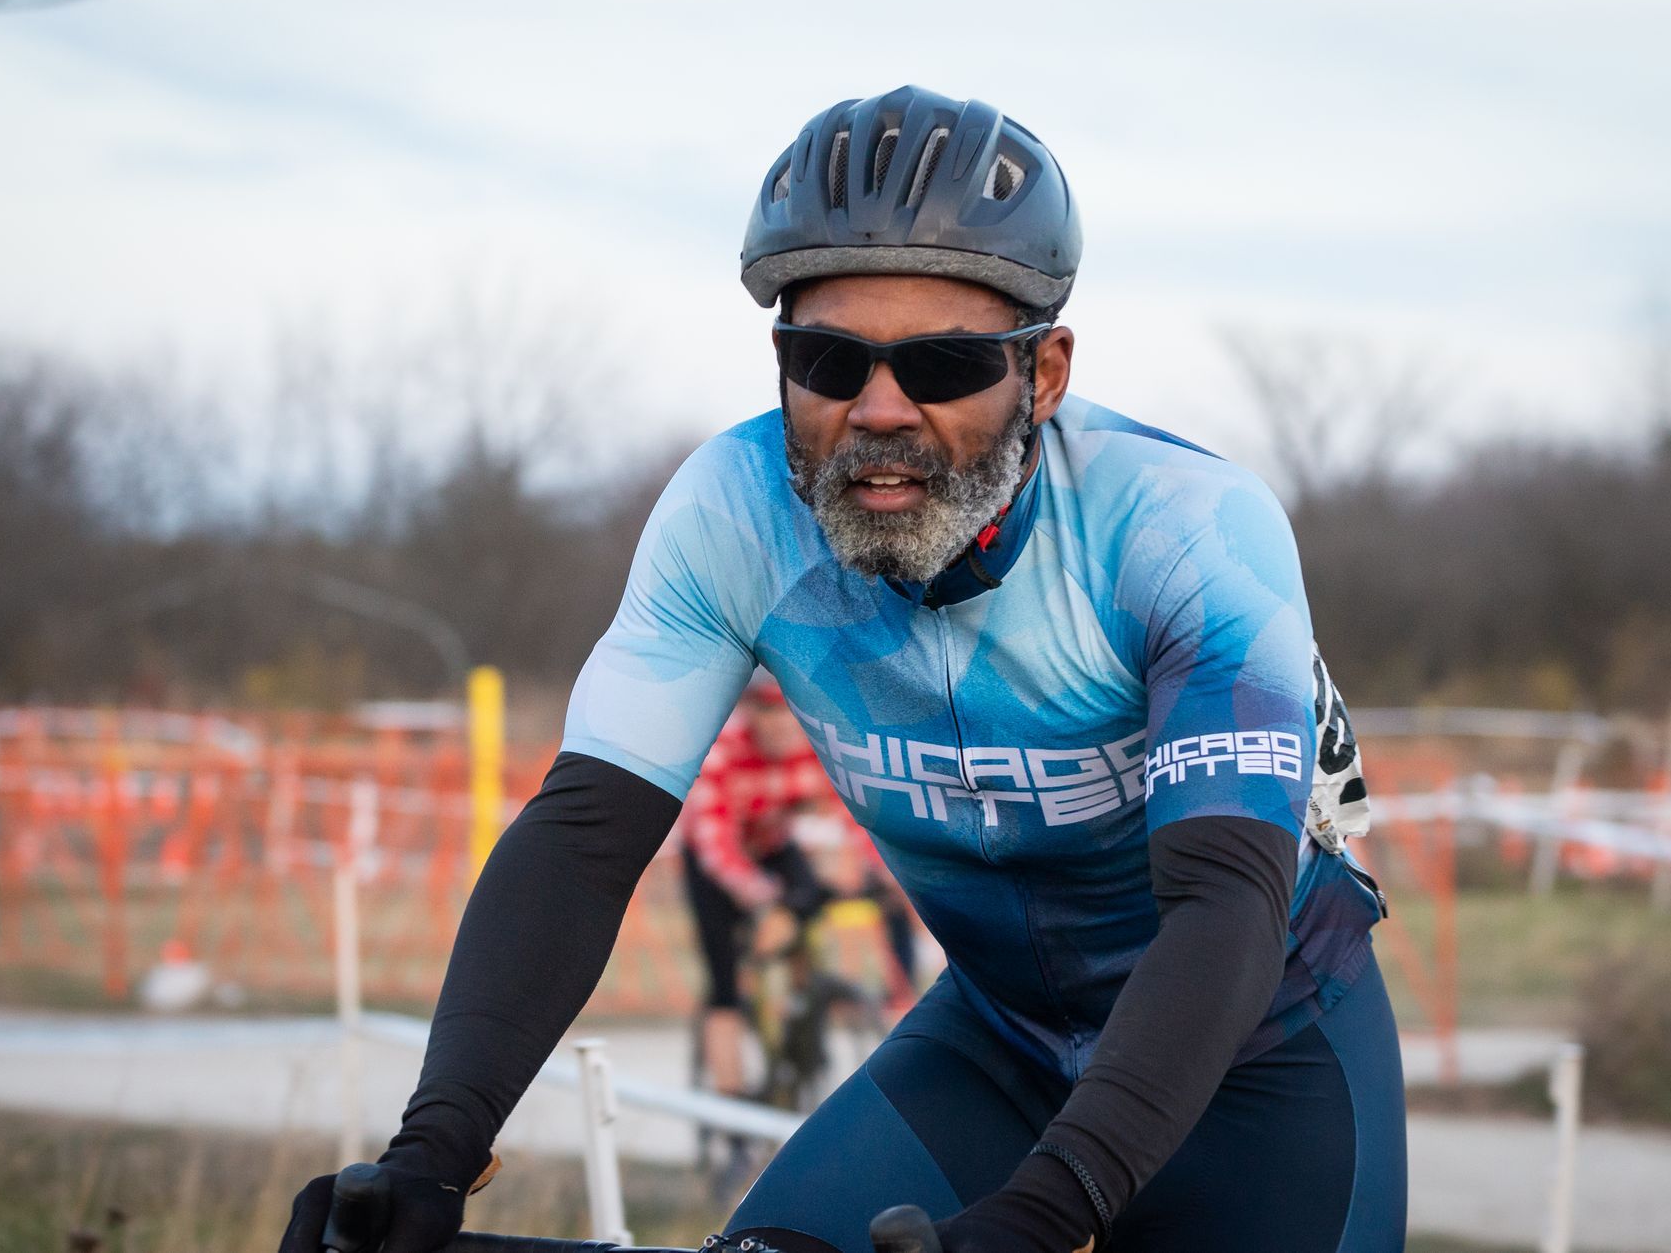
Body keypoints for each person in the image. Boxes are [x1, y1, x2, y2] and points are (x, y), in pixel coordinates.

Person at [278, 84, 1402, 1253]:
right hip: (1001, 1044)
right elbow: (583, 837)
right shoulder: (733, 511)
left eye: (944, 365)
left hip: (1265, 1053)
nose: (876, 409)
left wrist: (1046, 1209)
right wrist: (432, 1153)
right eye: (827, 358)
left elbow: (1224, 901)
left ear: (1046, 373)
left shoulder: (1186, 527)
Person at [681, 667, 849, 1102]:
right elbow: (717, 848)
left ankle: (800, 1018)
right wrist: (765, 900)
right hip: (715, 859)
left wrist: (859, 872)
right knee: (723, 981)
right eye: (766, 710)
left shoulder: (815, 744)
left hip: (774, 841)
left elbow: (842, 820)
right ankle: (732, 1107)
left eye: (786, 710)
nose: (778, 722)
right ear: (750, 712)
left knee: (810, 899)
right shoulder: (723, 752)